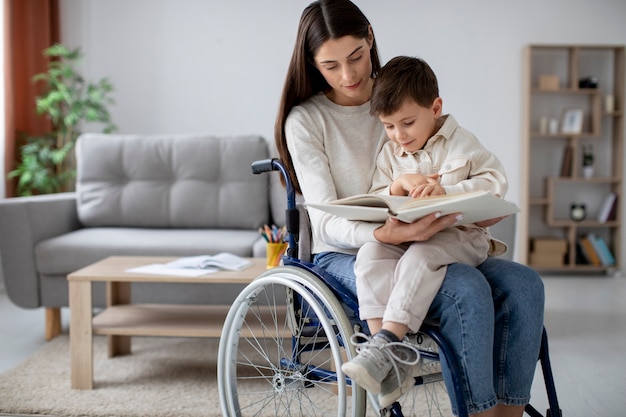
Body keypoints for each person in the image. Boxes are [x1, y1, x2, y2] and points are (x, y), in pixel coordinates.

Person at [275, 1, 545, 416]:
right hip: (352, 248)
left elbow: (453, 156)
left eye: (356, 57)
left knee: (525, 284)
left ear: (370, 38)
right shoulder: (307, 121)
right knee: (464, 290)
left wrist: (467, 205)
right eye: (330, 66)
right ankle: (401, 362)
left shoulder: (401, 92)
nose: (348, 76)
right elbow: (326, 221)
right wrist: (384, 233)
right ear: (312, 65)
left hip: (434, 234)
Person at [343, 55, 510, 407]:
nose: (399, 136)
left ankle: (388, 343)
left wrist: (446, 192)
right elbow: (376, 199)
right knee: (370, 254)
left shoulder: (462, 143)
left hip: (460, 236)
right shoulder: (391, 154)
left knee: (422, 254)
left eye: (406, 123)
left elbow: (494, 183)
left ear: (435, 108)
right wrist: (396, 188)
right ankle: (387, 360)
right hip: (410, 236)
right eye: (389, 126)